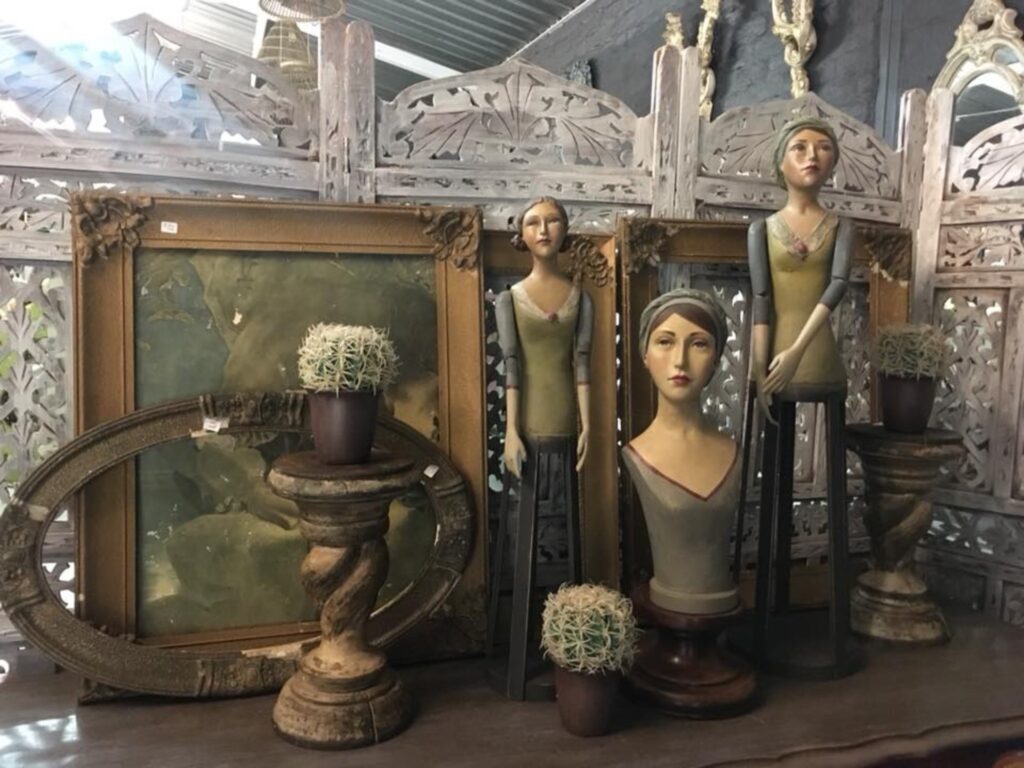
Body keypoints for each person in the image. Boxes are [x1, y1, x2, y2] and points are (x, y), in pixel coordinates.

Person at [622, 288, 739, 615]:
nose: (680, 361)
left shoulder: (735, 454)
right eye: (665, 341)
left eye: (699, 344)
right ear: (645, 355)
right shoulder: (637, 455)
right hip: (667, 600)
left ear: (716, 360)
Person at [748, 116, 853, 415]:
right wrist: (759, 365)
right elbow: (761, 298)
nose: (812, 156)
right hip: (772, 357)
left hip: (819, 354)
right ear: (780, 163)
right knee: (771, 433)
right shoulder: (762, 230)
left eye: (824, 148)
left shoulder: (840, 227)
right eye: (800, 147)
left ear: (833, 164)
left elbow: (838, 285)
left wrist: (796, 351)